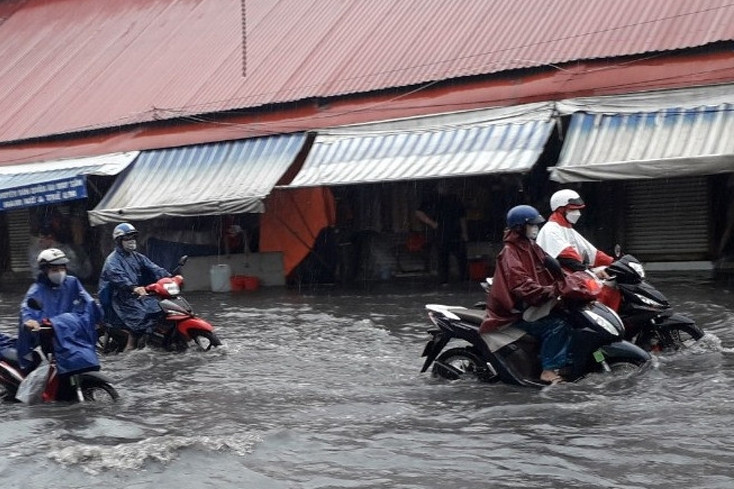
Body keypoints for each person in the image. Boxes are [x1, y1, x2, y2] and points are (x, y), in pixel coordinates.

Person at [479, 205, 574, 384]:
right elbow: (521, 285)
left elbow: (550, 266)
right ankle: (548, 370)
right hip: (516, 311)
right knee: (557, 326)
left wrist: (573, 280)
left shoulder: (530, 246)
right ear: (520, 228)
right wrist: (551, 290)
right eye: (532, 225)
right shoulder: (510, 252)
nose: (536, 228)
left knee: (569, 316)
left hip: (534, 304)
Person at [18, 248, 101, 373]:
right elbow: (27, 308)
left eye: (62, 269)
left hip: (73, 332)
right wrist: (30, 321)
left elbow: (88, 302)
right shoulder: (36, 291)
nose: (60, 273)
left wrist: (98, 316)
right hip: (50, 337)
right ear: (45, 271)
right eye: (55, 270)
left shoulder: (72, 283)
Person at [536, 189, 619, 309]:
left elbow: (593, 254)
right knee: (603, 291)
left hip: (574, 277)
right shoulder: (551, 229)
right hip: (563, 281)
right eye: (573, 209)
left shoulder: (567, 229)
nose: (577, 213)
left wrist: (615, 263)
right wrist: (589, 271)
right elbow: (568, 257)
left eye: (578, 209)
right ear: (561, 209)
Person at [98, 223, 170, 351]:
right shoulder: (112, 261)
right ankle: (130, 350)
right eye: (127, 238)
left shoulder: (137, 256)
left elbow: (153, 268)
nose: (131, 241)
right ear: (119, 241)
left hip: (137, 295)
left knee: (161, 309)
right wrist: (133, 287)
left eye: (133, 237)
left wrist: (170, 278)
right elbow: (118, 278)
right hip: (120, 299)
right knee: (138, 323)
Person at [415, 181, 469, 284]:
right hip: (440, 232)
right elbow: (418, 212)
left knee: (461, 255)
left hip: (455, 231)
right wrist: (432, 223)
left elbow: (462, 217)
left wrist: (464, 232)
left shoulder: (454, 199)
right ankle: (444, 280)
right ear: (438, 187)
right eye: (442, 187)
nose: (445, 189)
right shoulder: (432, 198)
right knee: (442, 257)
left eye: (446, 187)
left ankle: (464, 278)